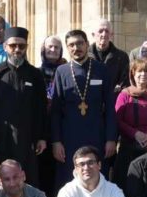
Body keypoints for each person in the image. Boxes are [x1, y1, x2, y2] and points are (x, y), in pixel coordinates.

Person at [0, 27, 49, 186]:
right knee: (0, 181)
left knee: (27, 179)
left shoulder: (35, 75)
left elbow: (41, 109)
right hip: (0, 139)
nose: (17, 49)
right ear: (5, 47)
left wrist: (41, 137)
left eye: (21, 46)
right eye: (13, 46)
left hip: (28, 139)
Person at [50, 29, 117, 186]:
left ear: (87, 44)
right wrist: (56, 141)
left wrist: (111, 138)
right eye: (71, 45)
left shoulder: (101, 70)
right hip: (69, 137)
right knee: (69, 178)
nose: (76, 48)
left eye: (80, 43)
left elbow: (110, 108)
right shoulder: (62, 71)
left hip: (96, 135)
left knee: (98, 177)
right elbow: (55, 111)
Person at [89, 18, 130, 94]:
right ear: (93, 35)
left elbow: (124, 83)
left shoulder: (121, 56)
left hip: (113, 100)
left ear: (111, 35)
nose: (104, 34)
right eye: (100, 31)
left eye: (107, 31)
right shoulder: (85, 56)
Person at [39, 35, 66, 102]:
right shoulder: (36, 73)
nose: (53, 50)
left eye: (56, 47)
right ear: (44, 49)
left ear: (61, 51)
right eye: (50, 46)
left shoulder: (67, 72)